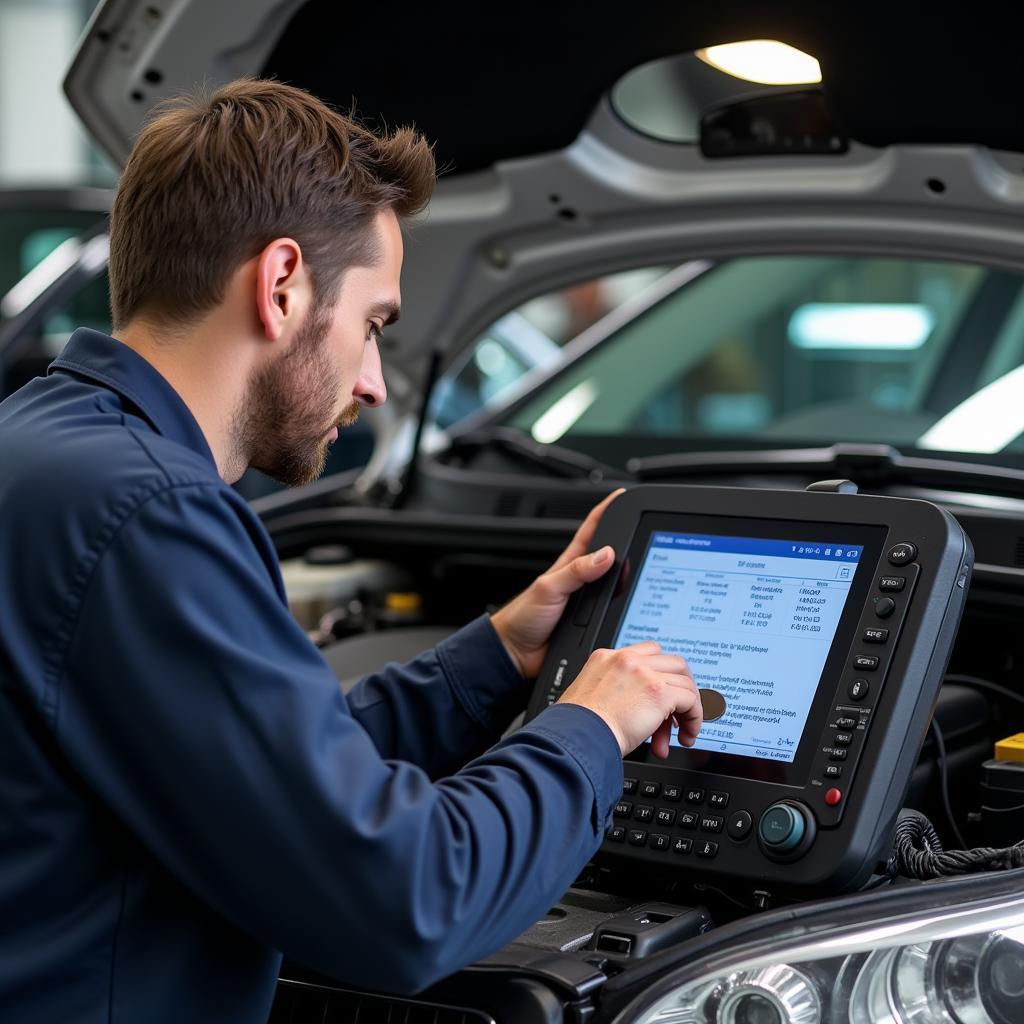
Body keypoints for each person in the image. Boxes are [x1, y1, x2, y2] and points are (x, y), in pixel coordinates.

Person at [0, 80, 702, 1024]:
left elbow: (248, 778)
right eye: (374, 324)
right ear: (281, 283)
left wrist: (495, 660)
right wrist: (591, 726)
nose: (374, 382)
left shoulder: (39, 449)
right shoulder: (150, 514)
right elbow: (403, 901)